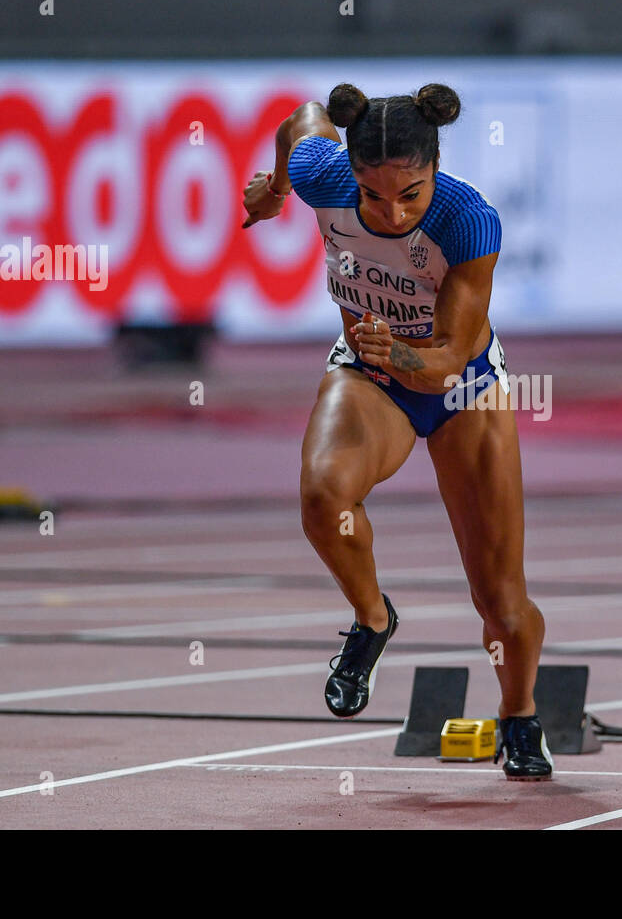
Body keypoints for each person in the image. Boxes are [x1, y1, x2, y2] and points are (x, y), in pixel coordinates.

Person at [241, 82, 552, 781]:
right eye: (373, 195)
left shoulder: (468, 222)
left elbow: (447, 358)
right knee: (324, 497)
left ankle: (520, 714)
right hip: (369, 376)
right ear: (348, 172)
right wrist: (275, 194)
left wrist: (401, 354)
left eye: (409, 194)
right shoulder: (324, 173)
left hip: (458, 386)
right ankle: (373, 619)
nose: (389, 211)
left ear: (435, 169)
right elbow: (300, 122)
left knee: (501, 603)